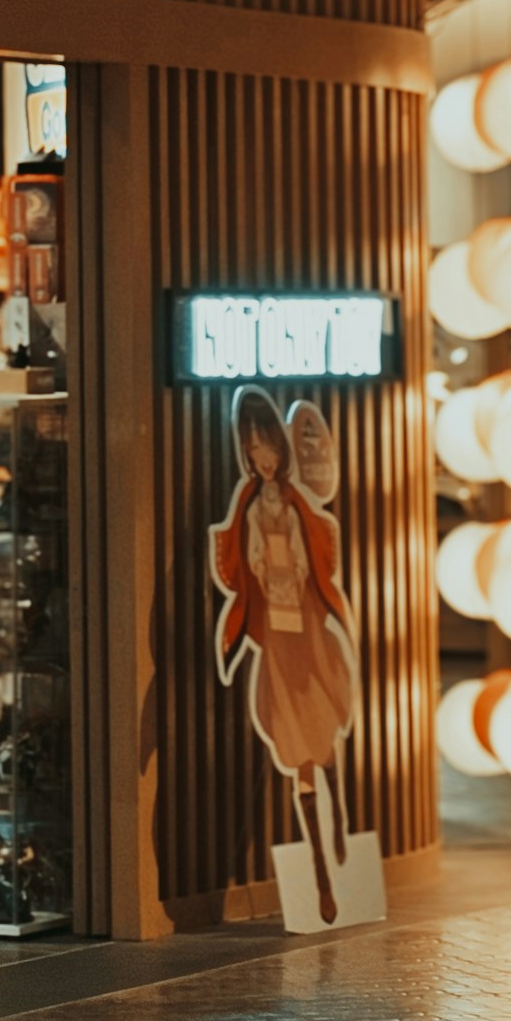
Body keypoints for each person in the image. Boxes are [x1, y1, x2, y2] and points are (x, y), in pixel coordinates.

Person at [209, 385, 366, 916]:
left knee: (324, 721)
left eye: (269, 449)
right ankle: (322, 873)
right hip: (275, 634)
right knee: (295, 735)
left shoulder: (298, 504)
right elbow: (237, 562)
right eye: (253, 453)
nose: (264, 460)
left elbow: (319, 555)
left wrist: (294, 570)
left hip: (308, 624)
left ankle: (340, 815)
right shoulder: (249, 504)